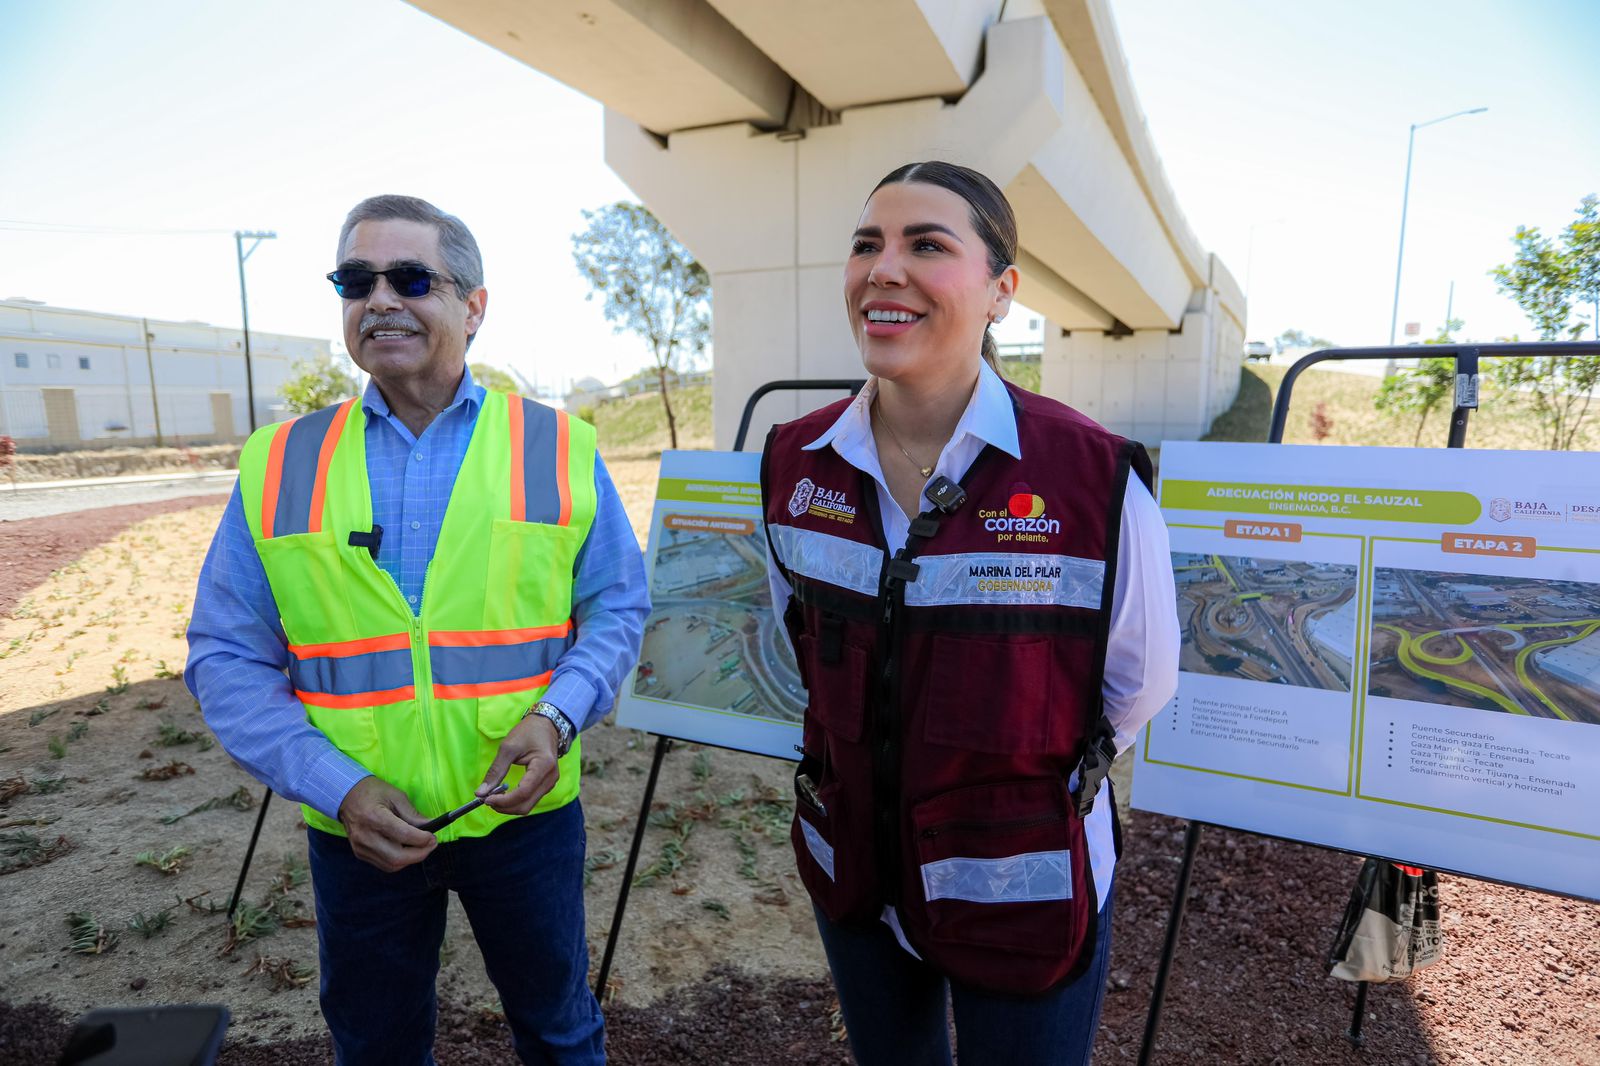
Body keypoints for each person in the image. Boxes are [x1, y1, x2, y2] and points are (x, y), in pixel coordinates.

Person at [185, 194, 649, 1065]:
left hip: (525, 820)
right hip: (357, 829)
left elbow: (618, 608)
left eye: (410, 278)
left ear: (474, 307)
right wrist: (335, 784)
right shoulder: (281, 460)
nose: (380, 299)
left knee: (559, 1030)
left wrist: (555, 719)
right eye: (356, 280)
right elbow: (225, 652)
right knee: (375, 1044)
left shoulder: (557, 445)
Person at [759, 161, 1179, 1066]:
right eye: (866, 244)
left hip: (1020, 888)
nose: (884, 269)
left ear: (1001, 292)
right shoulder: (794, 466)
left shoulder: (1091, 477)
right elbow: (801, 636)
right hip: (856, 875)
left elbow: (1139, 684)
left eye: (927, 246)